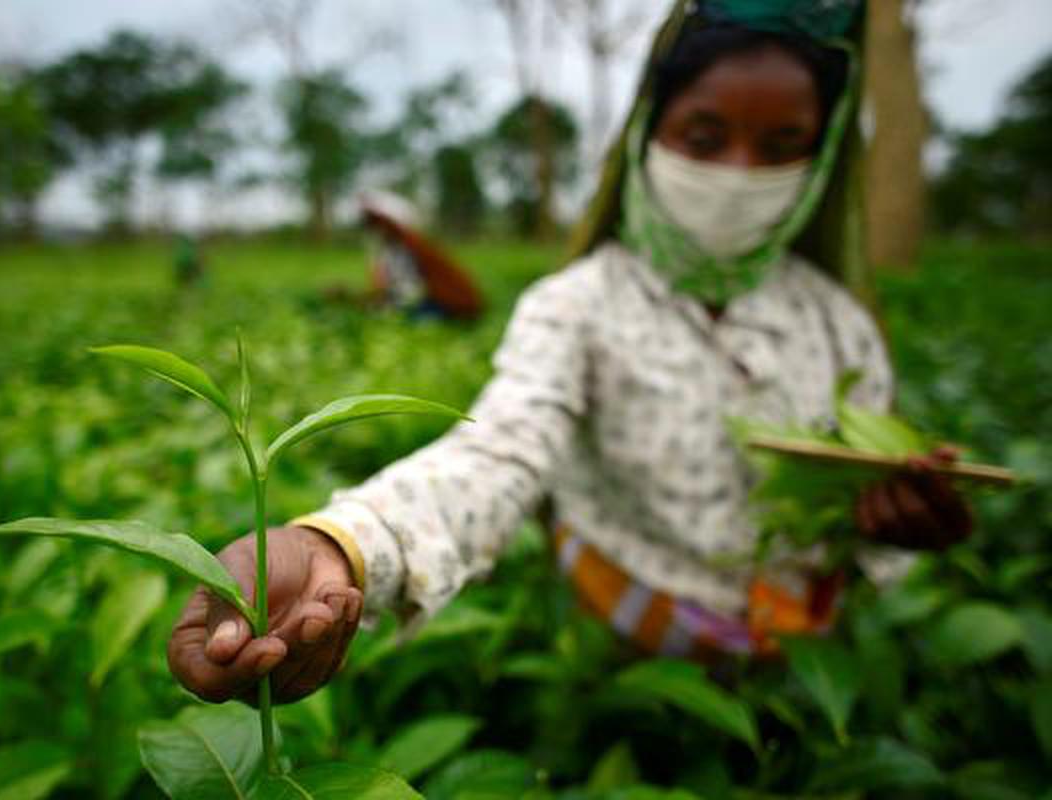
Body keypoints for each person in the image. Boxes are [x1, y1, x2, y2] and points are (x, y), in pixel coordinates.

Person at [167, 0, 972, 705]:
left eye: (780, 145)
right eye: (706, 134)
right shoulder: (579, 305)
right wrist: (344, 545)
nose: (738, 174)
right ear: (649, 134)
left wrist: (889, 523)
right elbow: (500, 450)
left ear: (821, 159)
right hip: (622, 663)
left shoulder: (839, 324)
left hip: (805, 659)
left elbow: (855, 490)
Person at [360, 191, 485, 321]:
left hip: (440, 305)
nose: (377, 230)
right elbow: (383, 283)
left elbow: (412, 289)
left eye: (379, 224)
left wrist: (390, 300)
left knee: (408, 317)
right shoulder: (386, 250)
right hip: (409, 300)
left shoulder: (412, 246)